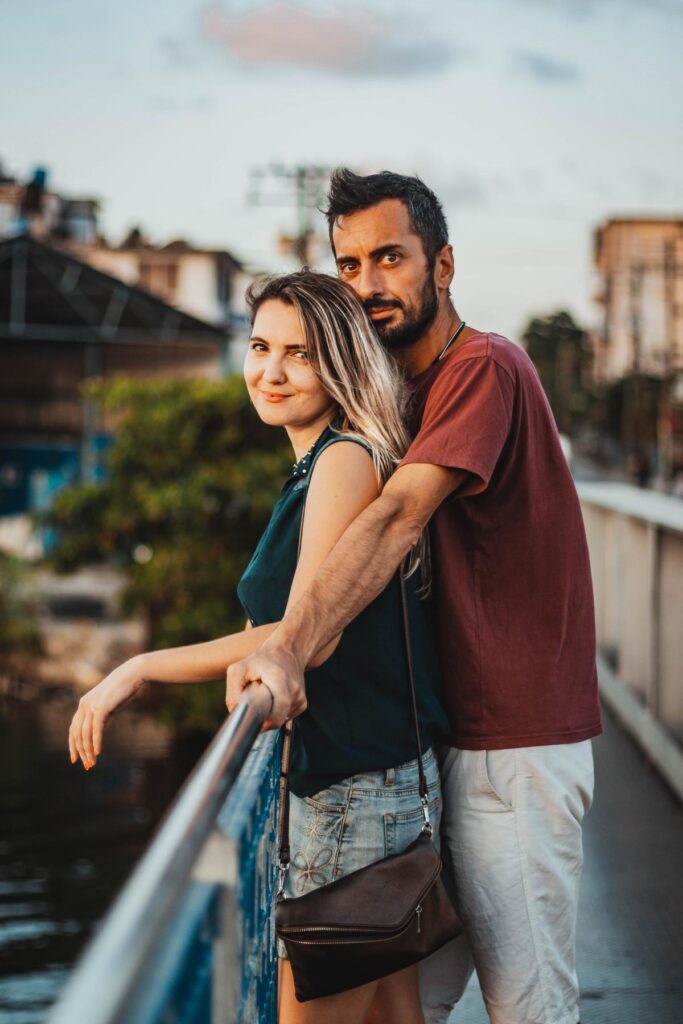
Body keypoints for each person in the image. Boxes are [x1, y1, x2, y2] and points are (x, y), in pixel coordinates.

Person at [227, 170, 603, 1024]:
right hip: (436, 749)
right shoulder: (399, 398)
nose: (366, 284)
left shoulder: (484, 367)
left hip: (513, 743)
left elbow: (398, 516)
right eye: (348, 262)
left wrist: (287, 644)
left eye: (389, 257)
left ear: (443, 267)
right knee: (401, 1005)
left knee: (528, 1005)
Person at [67, 269, 450, 1024]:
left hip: (350, 794)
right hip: (374, 781)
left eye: (298, 354)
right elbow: (274, 630)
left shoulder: (343, 460)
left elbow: (311, 632)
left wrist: (138, 668)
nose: (269, 372)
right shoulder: (317, 464)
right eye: (259, 347)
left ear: (338, 362)